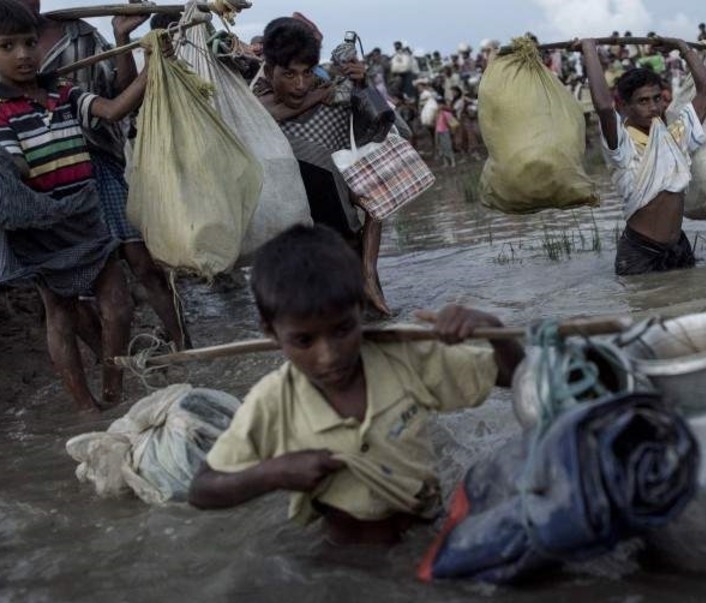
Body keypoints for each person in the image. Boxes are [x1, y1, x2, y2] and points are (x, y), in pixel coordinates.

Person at [188, 224, 523, 545]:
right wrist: (274, 474)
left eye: (342, 330)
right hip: (345, 555)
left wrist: (493, 330)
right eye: (304, 340)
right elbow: (203, 489)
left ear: (362, 308)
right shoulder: (272, 401)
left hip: (426, 532)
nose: (328, 356)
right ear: (271, 332)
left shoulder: (405, 356)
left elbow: (517, 378)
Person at [0, 0, 150, 412]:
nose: (24, 55)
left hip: (86, 215)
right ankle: (84, 407)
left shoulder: (61, 91)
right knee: (60, 313)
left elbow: (113, 110)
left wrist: (154, 66)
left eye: (30, 43)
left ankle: (114, 393)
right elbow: (11, 178)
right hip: (42, 226)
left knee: (118, 305)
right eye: (7, 47)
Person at [259, 17, 392, 316]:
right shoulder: (250, 102)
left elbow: (379, 125)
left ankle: (369, 284)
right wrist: (322, 94)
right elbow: (270, 111)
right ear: (269, 71)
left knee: (369, 316)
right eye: (289, 74)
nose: (300, 84)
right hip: (292, 236)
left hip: (340, 224)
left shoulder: (332, 95)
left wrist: (361, 83)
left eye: (306, 73)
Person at [578, 38, 706, 277]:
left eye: (656, 98)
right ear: (626, 105)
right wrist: (589, 49)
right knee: (648, 312)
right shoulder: (622, 145)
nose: (653, 107)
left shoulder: (674, 136)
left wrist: (683, 49)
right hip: (641, 252)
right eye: (643, 101)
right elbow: (604, 107)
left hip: (678, 246)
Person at [433, 95, 457, 168]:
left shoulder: (445, 113)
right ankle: (445, 162)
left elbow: (452, 121)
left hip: (445, 131)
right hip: (438, 131)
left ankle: (452, 161)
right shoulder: (437, 113)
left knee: (447, 146)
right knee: (441, 147)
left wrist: (452, 130)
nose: (438, 106)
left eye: (440, 104)